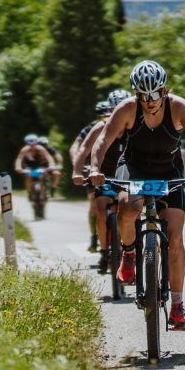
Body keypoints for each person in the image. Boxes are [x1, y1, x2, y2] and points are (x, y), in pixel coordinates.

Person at [89, 61, 185, 330]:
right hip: (135, 167)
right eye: (143, 95)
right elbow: (102, 141)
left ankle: (177, 307)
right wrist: (95, 168)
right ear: (136, 94)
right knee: (128, 207)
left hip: (169, 171)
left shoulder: (179, 107)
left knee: (176, 238)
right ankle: (129, 254)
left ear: (165, 90)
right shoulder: (127, 109)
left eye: (155, 94)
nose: (149, 101)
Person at [73, 90, 132, 271]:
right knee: (100, 210)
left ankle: (131, 249)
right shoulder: (100, 127)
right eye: (114, 110)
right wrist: (77, 172)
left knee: (132, 209)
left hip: (127, 176)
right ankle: (105, 251)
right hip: (103, 176)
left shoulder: (135, 127)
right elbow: (83, 149)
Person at [71, 100, 114, 252]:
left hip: (117, 168)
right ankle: (95, 238)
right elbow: (77, 147)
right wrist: (77, 166)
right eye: (101, 115)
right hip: (95, 167)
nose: (105, 117)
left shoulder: (128, 124)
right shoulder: (93, 127)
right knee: (95, 205)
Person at [13, 133, 54, 200]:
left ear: (36, 143)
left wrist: (51, 165)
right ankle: (29, 192)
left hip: (39, 165)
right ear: (27, 144)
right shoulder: (24, 150)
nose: (32, 146)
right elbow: (19, 159)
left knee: (42, 177)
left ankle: (44, 194)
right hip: (29, 166)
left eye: (34, 144)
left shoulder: (40, 148)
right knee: (28, 177)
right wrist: (18, 167)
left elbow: (48, 156)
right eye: (30, 145)